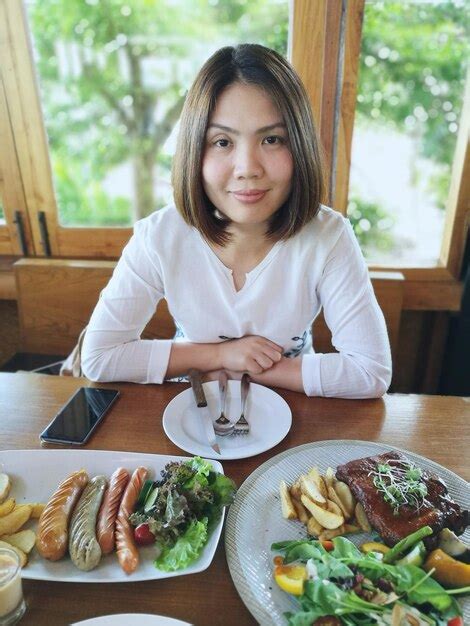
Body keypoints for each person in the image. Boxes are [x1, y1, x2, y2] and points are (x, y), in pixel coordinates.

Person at [81, 44, 392, 398]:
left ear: (300, 145)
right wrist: (219, 354)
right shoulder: (159, 237)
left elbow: (371, 372)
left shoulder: (328, 235)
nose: (247, 168)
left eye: (272, 139)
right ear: (194, 150)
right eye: (222, 141)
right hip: (194, 407)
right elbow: (100, 357)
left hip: (295, 407)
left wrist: (250, 370)